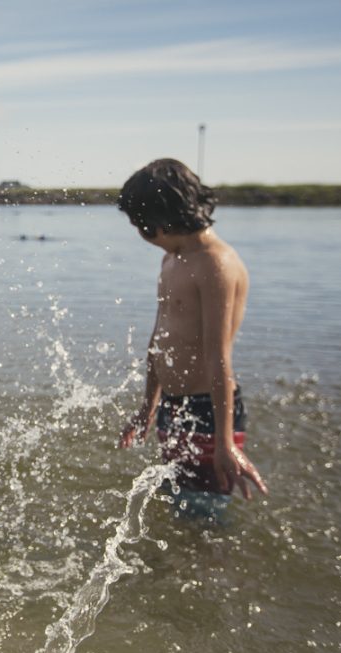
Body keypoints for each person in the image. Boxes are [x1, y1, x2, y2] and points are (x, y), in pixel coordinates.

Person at [116, 158, 268, 519]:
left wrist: (225, 443)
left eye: (140, 224)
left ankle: (216, 572)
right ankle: (177, 573)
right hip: (173, 405)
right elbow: (159, 338)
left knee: (206, 515)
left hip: (208, 411)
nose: (140, 233)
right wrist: (148, 407)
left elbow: (218, 357)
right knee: (178, 502)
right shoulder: (172, 260)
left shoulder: (217, 264)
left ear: (160, 220)